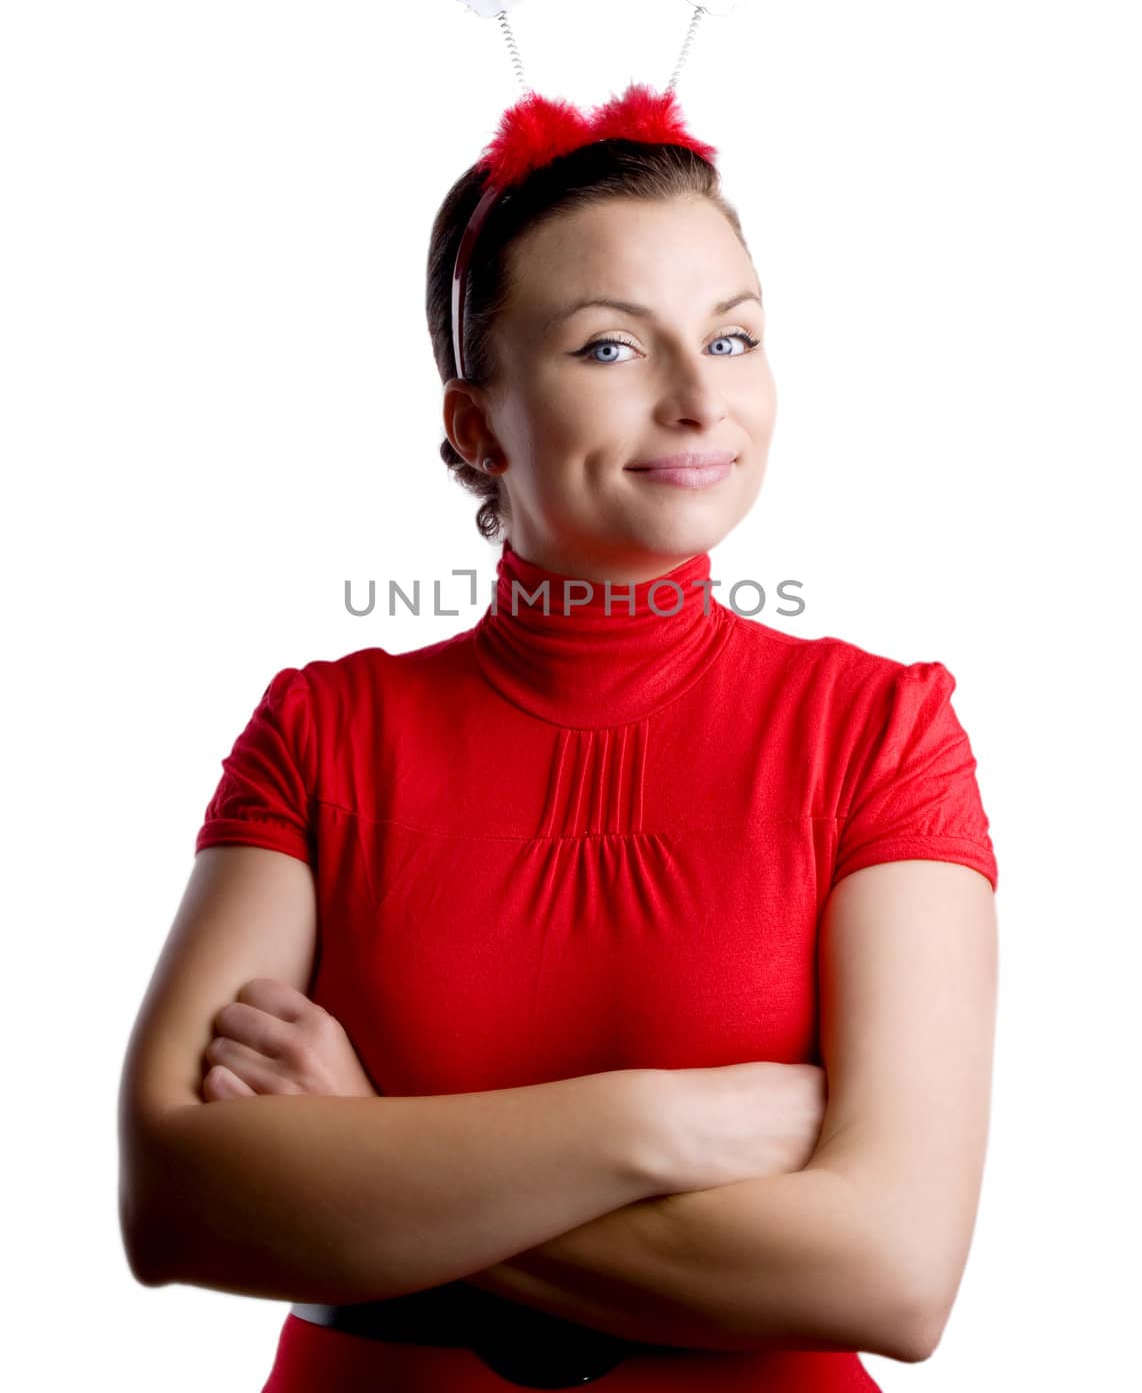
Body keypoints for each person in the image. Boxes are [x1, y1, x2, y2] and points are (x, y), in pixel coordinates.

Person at [117, 112, 999, 1392]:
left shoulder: (878, 729)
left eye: (732, 336)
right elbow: (173, 1204)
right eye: (608, 346)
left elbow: (890, 1275)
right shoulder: (322, 731)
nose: (699, 398)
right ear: (475, 425)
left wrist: (368, 1163)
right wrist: (658, 1125)